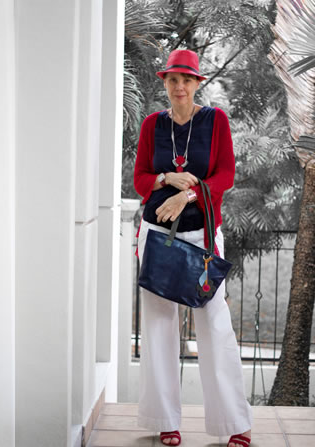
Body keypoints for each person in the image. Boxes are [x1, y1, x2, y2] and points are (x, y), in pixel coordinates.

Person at [133, 49, 253, 447]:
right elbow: (140, 179)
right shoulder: (152, 124)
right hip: (156, 235)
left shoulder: (215, 121)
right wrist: (168, 177)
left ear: (198, 83)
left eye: (186, 79)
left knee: (215, 324)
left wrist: (185, 197)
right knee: (158, 325)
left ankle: (234, 421)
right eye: (172, 80)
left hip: (201, 233)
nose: (179, 86)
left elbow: (224, 175)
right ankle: (165, 419)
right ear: (164, 83)